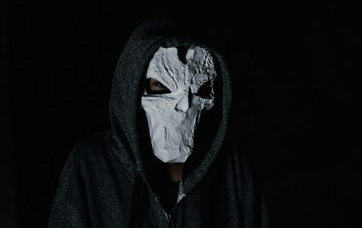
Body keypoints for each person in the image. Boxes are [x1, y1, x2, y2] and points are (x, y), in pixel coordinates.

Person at [48, 13, 270, 228]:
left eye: (199, 88)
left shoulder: (233, 170)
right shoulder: (90, 167)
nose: (183, 105)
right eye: (162, 86)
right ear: (132, 91)